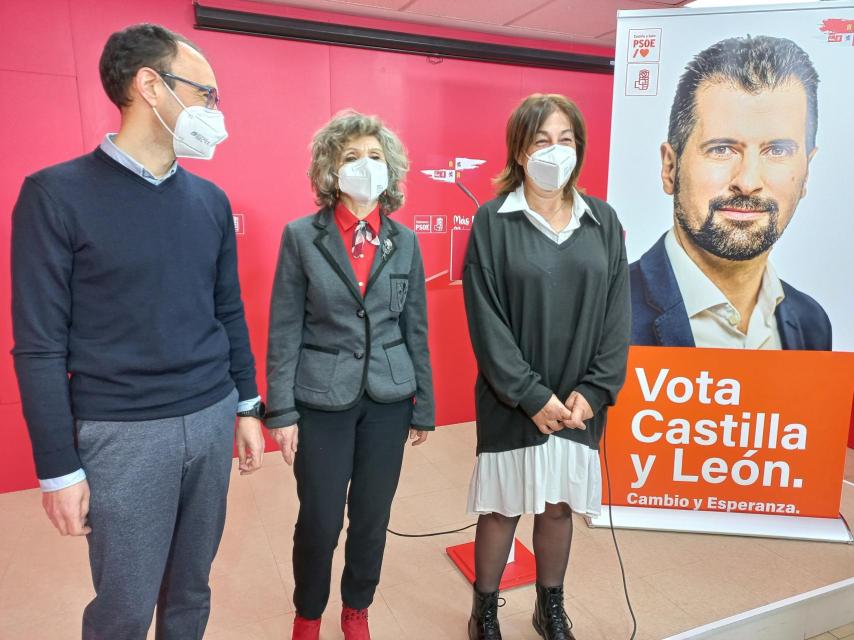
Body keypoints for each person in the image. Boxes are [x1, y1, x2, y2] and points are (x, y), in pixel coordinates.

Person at [10, 24, 265, 640]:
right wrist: (58, 470)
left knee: (191, 589)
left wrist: (249, 404)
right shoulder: (54, 196)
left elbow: (228, 310)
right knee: (124, 604)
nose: (214, 112)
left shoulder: (208, 201)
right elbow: (40, 343)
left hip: (209, 415)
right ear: (151, 86)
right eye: (206, 94)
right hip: (122, 432)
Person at [463, 94, 631, 640]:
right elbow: (486, 321)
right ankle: (484, 610)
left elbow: (616, 314)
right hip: (513, 398)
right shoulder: (493, 220)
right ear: (518, 150)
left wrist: (597, 388)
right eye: (541, 141)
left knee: (557, 508)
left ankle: (549, 607)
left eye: (566, 140)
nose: (554, 152)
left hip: (579, 399)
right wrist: (530, 396)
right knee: (502, 508)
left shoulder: (602, 220)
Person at [265, 110, 435, 640]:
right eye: (352, 157)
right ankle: (308, 612)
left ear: (392, 170)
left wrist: (424, 405)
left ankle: (356, 606)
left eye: (376, 157)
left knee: (370, 516)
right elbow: (284, 327)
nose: (366, 167)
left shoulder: (403, 241)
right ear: (331, 171)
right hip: (320, 398)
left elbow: (416, 327)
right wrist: (282, 410)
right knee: (318, 518)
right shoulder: (301, 237)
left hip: (388, 397)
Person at [630, 35, 831, 350]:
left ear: (806, 170)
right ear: (670, 167)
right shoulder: (606, 311)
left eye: (777, 150)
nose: (748, 181)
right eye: (722, 149)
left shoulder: (812, 322)